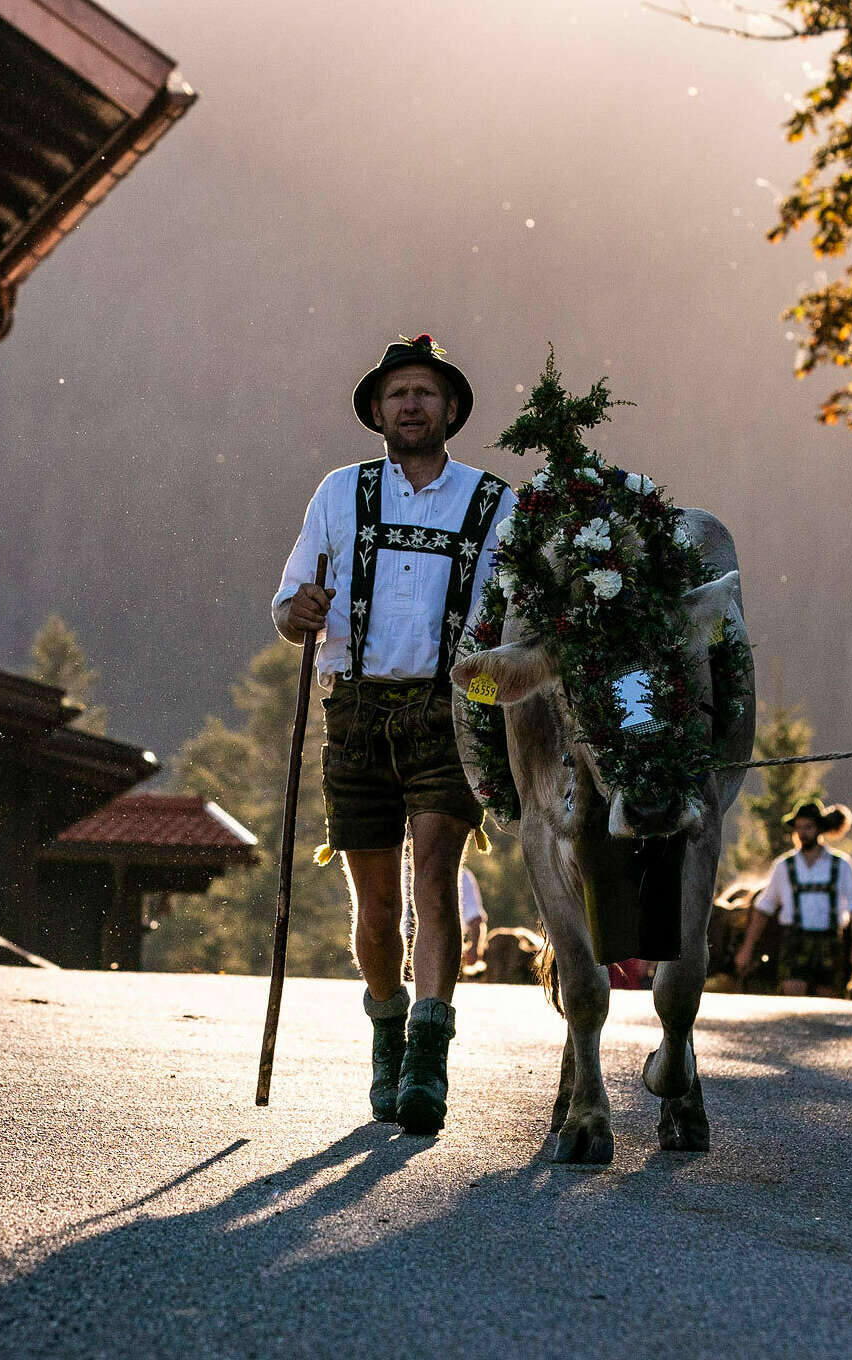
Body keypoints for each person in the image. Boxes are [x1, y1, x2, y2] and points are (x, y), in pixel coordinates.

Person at [273, 335, 516, 1136]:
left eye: (426, 393)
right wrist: (297, 613)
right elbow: (287, 608)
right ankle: (386, 1033)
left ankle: (428, 1056)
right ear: (377, 411)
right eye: (398, 394)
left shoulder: (493, 502)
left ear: (451, 410)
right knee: (375, 904)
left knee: (435, 880)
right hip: (355, 710)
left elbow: (509, 616)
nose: (411, 404)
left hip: (449, 711)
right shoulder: (339, 493)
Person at [734, 801, 852, 997]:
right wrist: (747, 948)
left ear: (819, 829)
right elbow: (764, 909)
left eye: (808, 827)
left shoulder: (841, 865)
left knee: (828, 1004)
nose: (802, 833)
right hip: (794, 942)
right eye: (798, 828)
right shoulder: (783, 866)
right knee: (793, 1001)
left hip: (830, 942)